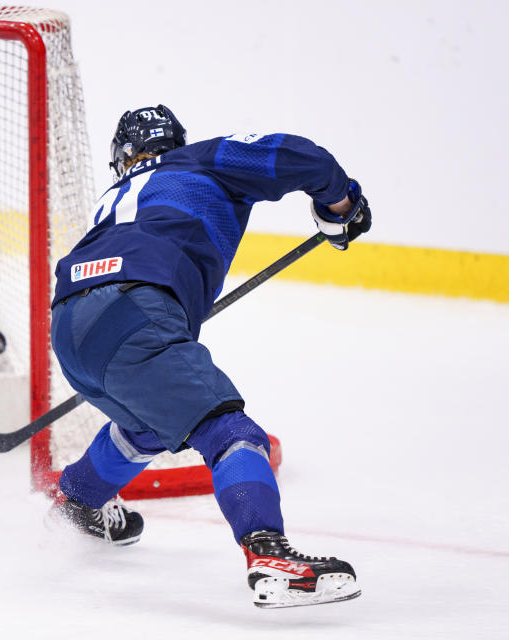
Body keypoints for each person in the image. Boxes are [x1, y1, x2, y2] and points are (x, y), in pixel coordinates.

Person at [47, 105, 371, 609]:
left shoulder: (111, 200)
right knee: (231, 433)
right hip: (136, 308)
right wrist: (339, 205)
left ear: (123, 158)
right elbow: (302, 156)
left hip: (68, 323)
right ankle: (270, 554)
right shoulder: (198, 162)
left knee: (148, 428)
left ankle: (79, 500)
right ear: (174, 141)